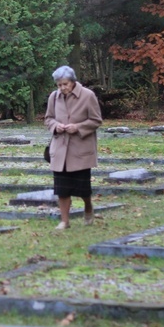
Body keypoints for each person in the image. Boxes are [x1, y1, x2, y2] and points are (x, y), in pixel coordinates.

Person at [44, 65, 103, 229]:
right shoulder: (54, 97)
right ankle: (65, 221)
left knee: (82, 189)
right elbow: (48, 119)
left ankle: (88, 207)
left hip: (80, 149)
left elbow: (96, 120)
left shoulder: (88, 96)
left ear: (72, 82)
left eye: (65, 84)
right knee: (62, 189)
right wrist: (56, 126)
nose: (62, 88)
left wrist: (78, 127)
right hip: (60, 149)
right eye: (59, 85)